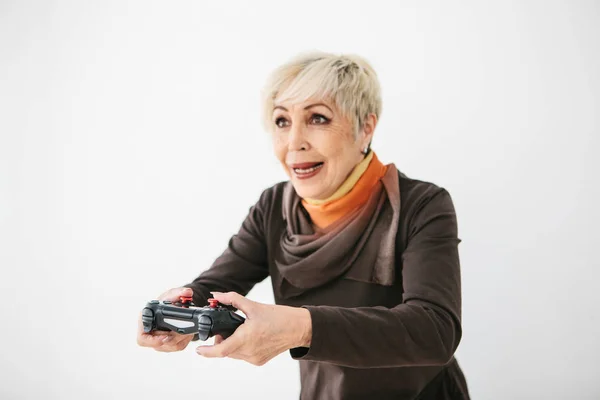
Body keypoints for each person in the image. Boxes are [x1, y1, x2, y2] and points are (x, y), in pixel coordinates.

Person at [137, 51, 470, 399]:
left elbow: (435, 330)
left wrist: (302, 327)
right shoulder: (273, 208)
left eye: (318, 118)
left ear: (365, 128)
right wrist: (178, 312)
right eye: (282, 121)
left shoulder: (422, 205)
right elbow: (215, 285)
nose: (294, 142)